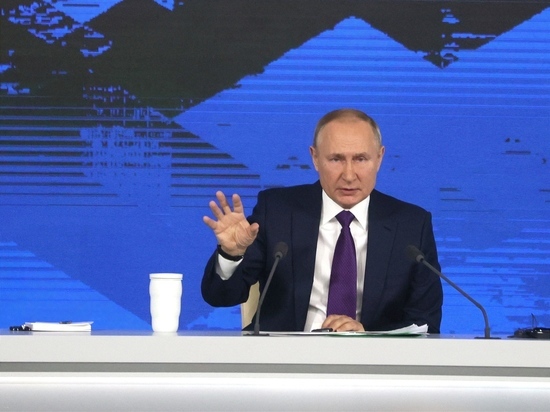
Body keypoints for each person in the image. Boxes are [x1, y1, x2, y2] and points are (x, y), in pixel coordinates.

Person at [202, 108, 443, 333]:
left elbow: (426, 322)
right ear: (315, 158)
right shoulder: (277, 211)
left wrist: (367, 336)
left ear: (379, 158)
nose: (349, 175)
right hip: (285, 357)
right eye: (336, 159)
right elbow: (220, 296)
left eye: (360, 159)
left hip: (372, 360)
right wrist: (230, 255)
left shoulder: (411, 225)